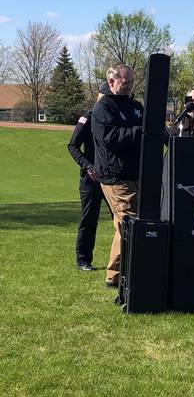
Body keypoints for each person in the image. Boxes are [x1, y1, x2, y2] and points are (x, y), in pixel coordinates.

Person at [91, 64, 143, 288]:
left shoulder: (136, 106)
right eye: (125, 83)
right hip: (115, 176)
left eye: (132, 82)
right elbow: (109, 138)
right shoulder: (103, 108)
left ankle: (131, 269)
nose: (129, 86)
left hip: (137, 173)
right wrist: (139, 131)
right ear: (111, 82)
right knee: (127, 222)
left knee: (131, 222)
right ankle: (113, 276)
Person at [67, 83, 112, 271]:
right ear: (99, 96)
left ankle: (126, 259)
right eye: (105, 97)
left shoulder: (112, 117)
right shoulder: (88, 116)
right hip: (90, 178)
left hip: (111, 177)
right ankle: (83, 260)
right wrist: (87, 165)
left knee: (121, 219)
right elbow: (72, 146)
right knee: (89, 219)